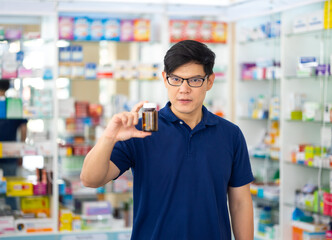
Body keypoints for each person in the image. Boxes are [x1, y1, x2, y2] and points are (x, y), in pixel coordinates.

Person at [81, 40, 254, 240]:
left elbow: (240, 202)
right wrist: (109, 136)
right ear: (165, 79)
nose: (184, 89)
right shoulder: (141, 130)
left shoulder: (230, 135)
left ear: (209, 81)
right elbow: (90, 179)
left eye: (195, 80)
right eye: (176, 79)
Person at [0, 79, 27, 209]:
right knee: (11, 190)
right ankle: (13, 216)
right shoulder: (15, 104)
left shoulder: (13, 103)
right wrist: (22, 150)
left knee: (11, 189)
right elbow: (23, 128)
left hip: (10, 154)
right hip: (11, 153)